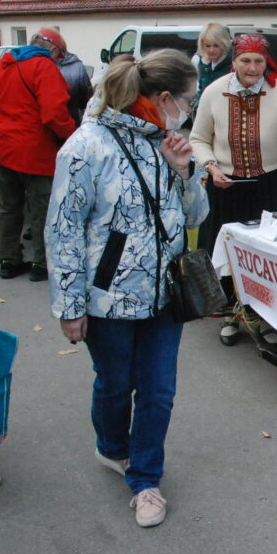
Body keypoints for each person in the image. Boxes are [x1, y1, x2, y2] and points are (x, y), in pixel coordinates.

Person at [45, 49, 208, 528]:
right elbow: (63, 232)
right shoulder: (85, 147)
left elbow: (196, 217)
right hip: (108, 299)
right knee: (116, 386)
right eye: (187, 99)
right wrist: (70, 305)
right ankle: (112, 447)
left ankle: (145, 480)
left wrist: (185, 172)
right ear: (161, 97)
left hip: (165, 295)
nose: (189, 109)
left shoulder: (169, 141)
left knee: (157, 392)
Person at [190, 33, 277, 344]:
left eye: (259, 61)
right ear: (234, 62)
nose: (253, 67)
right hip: (226, 184)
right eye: (246, 60)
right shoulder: (214, 92)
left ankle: (268, 316)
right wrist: (210, 167)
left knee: (269, 254)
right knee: (229, 251)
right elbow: (198, 139)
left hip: (272, 184)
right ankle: (233, 315)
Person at [0, 32, 76, 281]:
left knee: (7, 206)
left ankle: (8, 260)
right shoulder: (43, 67)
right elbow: (55, 113)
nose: (58, 60)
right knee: (42, 207)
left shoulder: (2, 66)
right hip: (36, 150)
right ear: (52, 49)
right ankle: (42, 265)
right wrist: (72, 137)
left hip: (3, 148)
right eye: (59, 55)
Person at [34, 28, 92, 124]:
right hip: (72, 125)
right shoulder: (77, 67)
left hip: (44, 127)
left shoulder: (33, 66)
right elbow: (86, 101)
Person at [192, 22, 233, 118]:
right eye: (207, 45)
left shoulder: (234, 64)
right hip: (204, 114)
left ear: (223, 44)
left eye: (216, 45)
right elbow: (200, 90)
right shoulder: (201, 62)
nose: (211, 50)